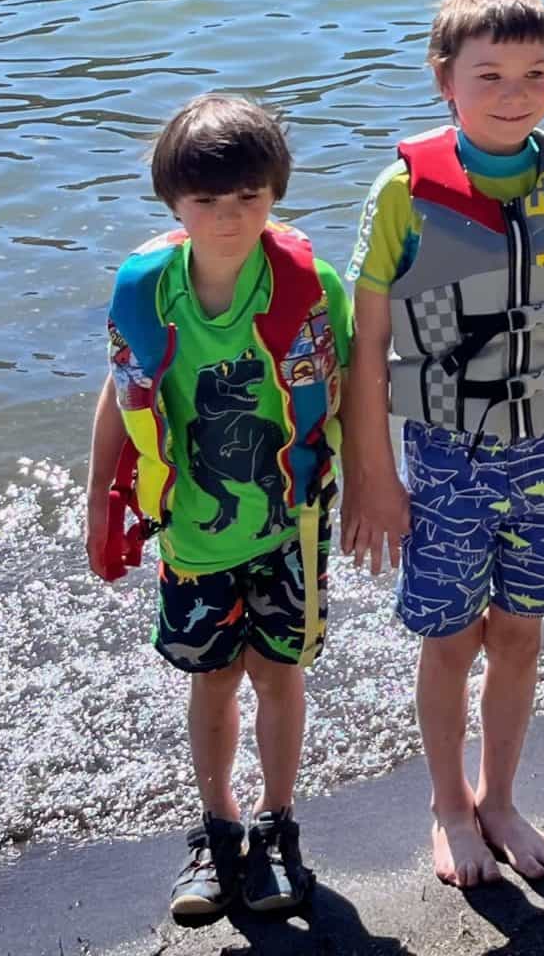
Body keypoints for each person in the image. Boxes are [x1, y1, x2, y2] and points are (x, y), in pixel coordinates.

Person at [341, 0, 544, 889]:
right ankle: (448, 805)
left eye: (536, 73)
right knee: (450, 637)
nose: (514, 93)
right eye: (489, 74)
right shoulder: (402, 191)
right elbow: (370, 344)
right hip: (446, 457)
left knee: (522, 633)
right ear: (443, 81)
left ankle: (501, 797)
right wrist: (375, 477)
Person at [85, 94, 352, 925]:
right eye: (206, 200)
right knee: (213, 680)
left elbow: (351, 397)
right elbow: (119, 390)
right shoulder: (146, 291)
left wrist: (380, 487)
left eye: (248, 197)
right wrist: (101, 498)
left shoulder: (314, 288)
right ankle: (218, 830)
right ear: (173, 202)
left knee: (280, 675)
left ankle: (277, 826)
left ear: (275, 192)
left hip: (292, 527)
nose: (229, 217)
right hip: (193, 533)